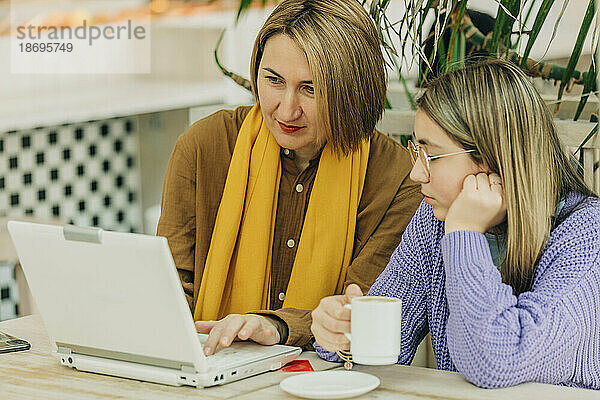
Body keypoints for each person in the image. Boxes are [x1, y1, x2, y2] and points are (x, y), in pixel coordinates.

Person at [311, 59, 600, 390]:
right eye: (415, 151)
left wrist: (464, 234)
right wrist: (340, 332)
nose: (416, 173)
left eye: (431, 156)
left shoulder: (587, 236)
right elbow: (387, 342)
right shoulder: (435, 219)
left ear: (493, 160)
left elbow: (496, 363)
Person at [157, 0, 422, 355]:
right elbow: (169, 291)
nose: (286, 109)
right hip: (210, 365)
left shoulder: (398, 177)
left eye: (310, 89)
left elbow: (358, 314)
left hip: (328, 378)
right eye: (274, 81)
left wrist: (277, 326)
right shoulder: (204, 147)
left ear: (351, 89)